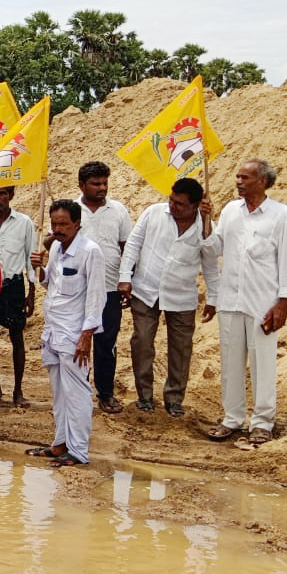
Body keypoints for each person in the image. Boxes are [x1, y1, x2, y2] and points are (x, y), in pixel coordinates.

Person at [203, 160, 287, 444]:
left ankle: (263, 422)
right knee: (230, 363)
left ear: (262, 182)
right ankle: (232, 419)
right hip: (230, 299)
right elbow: (214, 248)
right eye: (238, 177)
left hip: (263, 302)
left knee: (263, 363)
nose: (239, 182)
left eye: (245, 177)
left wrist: (283, 303)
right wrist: (205, 220)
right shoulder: (231, 210)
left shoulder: (281, 215)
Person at [118, 178, 218, 417]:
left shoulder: (206, 226)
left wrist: (213, 297)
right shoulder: (154, 213)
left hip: (181, 296)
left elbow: (212, 261)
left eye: (180, 204)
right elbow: (133, 244)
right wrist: (125, 276)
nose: (173, 206)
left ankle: (174, 398)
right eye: (172, 200)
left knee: (181, 349)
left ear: (195, 205)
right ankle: (144, 396)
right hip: (145, 289)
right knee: (142, 341)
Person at [27, 200, 105, 467]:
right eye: (54, 224)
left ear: (77, 224)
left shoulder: (90, 251)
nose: (57, 229)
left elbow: (96, 297)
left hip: (74, 334)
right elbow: (50, 284)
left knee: (77, 393)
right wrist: (39, 268)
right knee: (59, 392)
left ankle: (79, 451)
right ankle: (60, 443)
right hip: (53, 331)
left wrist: (86, 337)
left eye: (63, 224)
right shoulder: (57, 248)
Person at [74, 161, 132, 413]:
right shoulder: (72, 210)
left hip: (109, 288)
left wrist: (126, 279)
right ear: (82, 185)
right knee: (79, 342)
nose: (102, 188)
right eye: (96, 183)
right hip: (80, 290)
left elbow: (126, 248)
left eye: (105, 183)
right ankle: (79, 392)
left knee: (106, 343)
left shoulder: (118, 210)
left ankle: (106, 394)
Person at [0, 186, 37, 407]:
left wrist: (31, 292)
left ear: (11, 195)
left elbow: (30, 258)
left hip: (14, 286)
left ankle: (18, 390)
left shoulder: (24, 222)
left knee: (17, 337)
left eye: (3, 193)